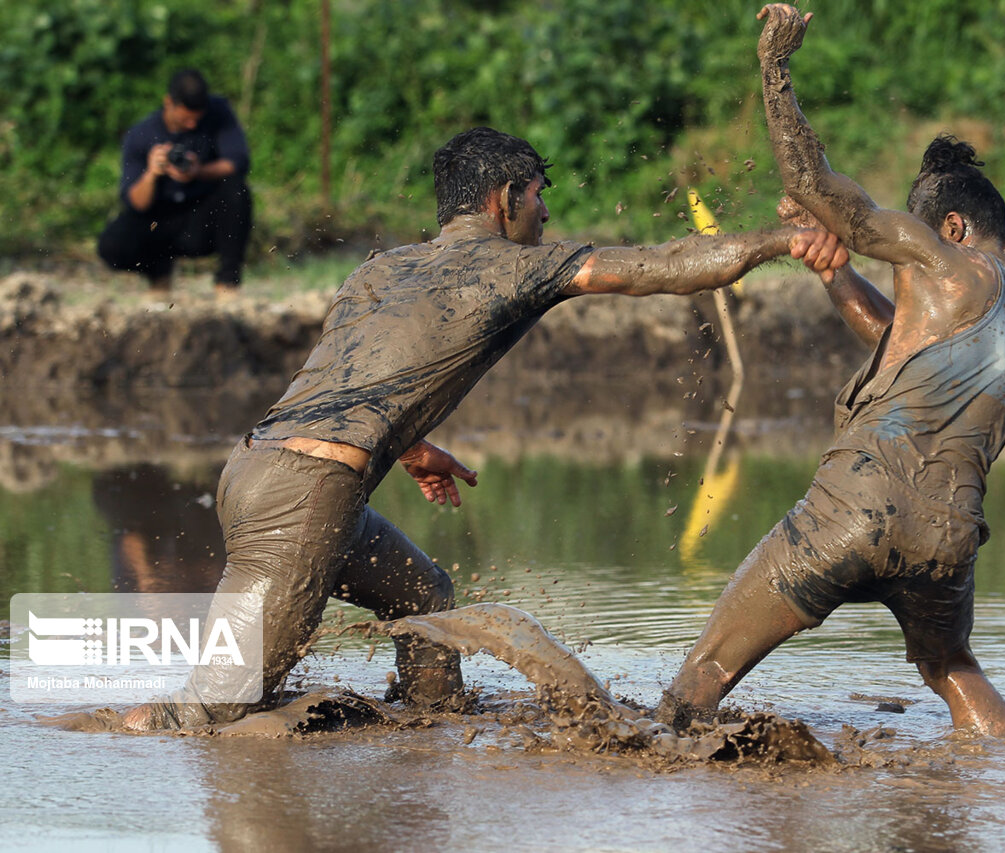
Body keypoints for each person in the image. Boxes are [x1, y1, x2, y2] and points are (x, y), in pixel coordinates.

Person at [121, 126, 847, 730]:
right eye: (538, 200)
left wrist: (410, 446)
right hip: (306, 496)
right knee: (212, 711)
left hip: (257, 468)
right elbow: (665, 264)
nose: (545, 218)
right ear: (506, 200)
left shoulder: (383, 269)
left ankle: (427, 736)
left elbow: (346, 377)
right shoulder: (512, 266)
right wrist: (782, 241)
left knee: (426, 599)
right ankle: (87, 768)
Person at [656, 5, 1005, 737]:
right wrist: (836, 273)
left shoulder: (944, 259)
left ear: (954, 229)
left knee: (708, 667)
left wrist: (774, 73)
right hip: (947, 531)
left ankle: (651, 788)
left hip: (854, 507)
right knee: (949, 668)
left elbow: (815, 184)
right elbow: (902, 346)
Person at [97, 69, 252, 299]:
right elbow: (134, 203)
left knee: (236, 189)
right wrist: (152, 173)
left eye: (196, 120)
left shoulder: (218, 111)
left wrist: (199, 171)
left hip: (200, 220)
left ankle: (227, 282)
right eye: (185, 118)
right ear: (168, 103)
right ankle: (157, 274)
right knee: (112, 243)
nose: (191, 125)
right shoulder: (140, 134)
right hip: (159, 221)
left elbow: (238, 161)